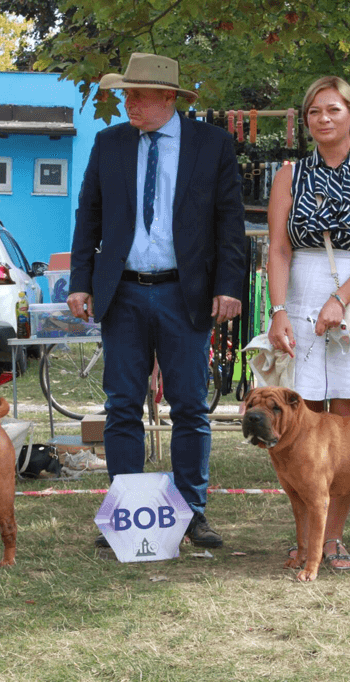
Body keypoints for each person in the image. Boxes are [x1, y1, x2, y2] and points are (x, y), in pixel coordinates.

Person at [67, 53, 246, 549]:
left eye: (137, 95)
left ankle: (192, 514)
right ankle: (128, 512)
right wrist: (80, 280)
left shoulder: (213, 146)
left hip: (184, 294)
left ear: (168, 98)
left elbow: (230, 223)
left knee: (190, 406)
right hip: (122, 293)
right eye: (125, 93)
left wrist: (229, 286)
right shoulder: (109, 144)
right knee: (121, 405)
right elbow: (89, 217)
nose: (128, 103)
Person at [266, 75, 350, 570]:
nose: (322, 119)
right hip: (300, 286)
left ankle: (333, 538)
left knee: (346, 422)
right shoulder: (289, 174)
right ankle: (304, 538)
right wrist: (278, 309)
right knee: (300, 418)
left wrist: (341, 299)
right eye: (313, 113)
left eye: (332, 109)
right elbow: (278, 247)